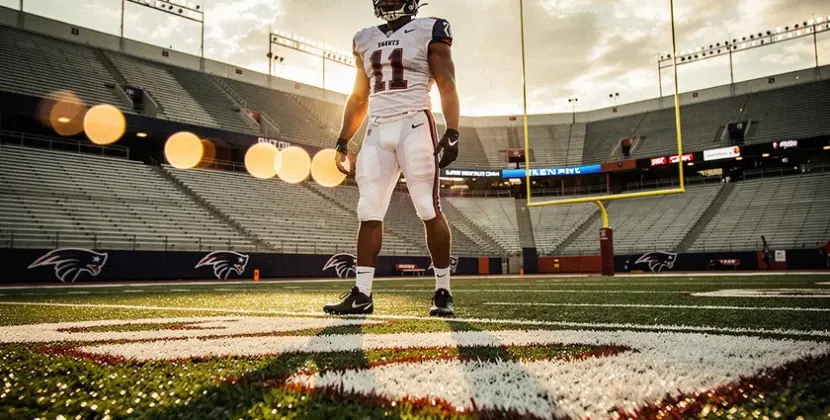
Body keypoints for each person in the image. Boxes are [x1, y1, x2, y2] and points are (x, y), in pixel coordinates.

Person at [323, 0, 460, 316]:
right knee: (368, 209)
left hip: (414, 123)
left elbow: (446, 82)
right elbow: (359, 96)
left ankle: (442, 291)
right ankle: (362, 294)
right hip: (376, 128)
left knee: (427, 206)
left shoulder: (430, 29)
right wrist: (343, 138)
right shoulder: (364, 37)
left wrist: (452, 128)